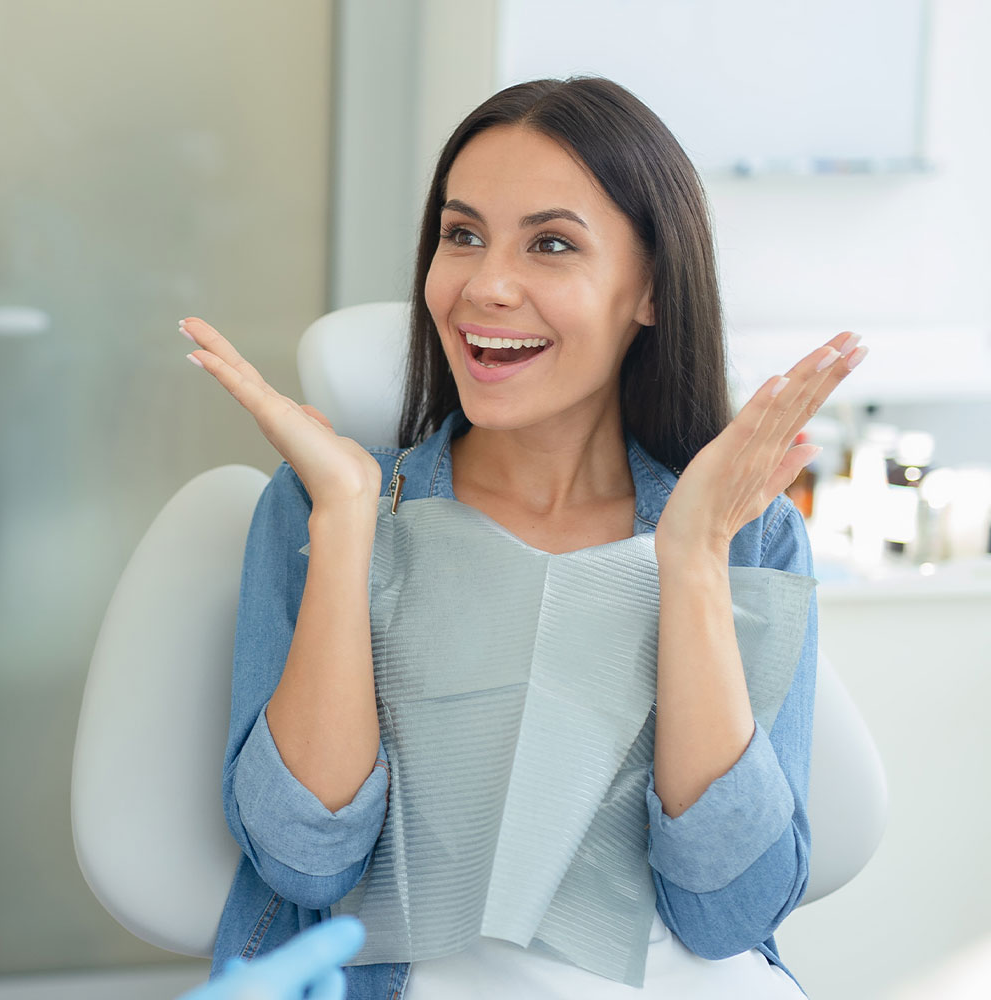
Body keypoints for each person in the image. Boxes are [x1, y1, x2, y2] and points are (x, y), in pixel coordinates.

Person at [181, 77, 866, 999]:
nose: (485, 286)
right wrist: (348, 525)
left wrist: (694, 560)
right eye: (461, 235)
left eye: (550, 245)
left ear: (652, 288)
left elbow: (727, 914)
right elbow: (305, 861)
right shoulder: (325, 505)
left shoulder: (750, 531)